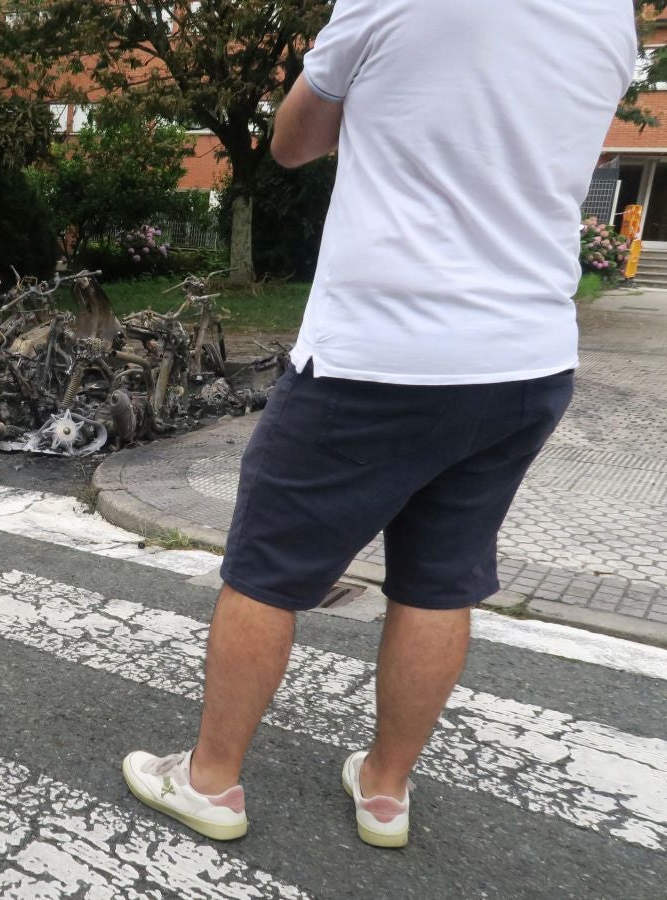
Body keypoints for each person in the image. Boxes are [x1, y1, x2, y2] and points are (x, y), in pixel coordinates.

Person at [122, 0, 636, 849]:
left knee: (266, 572)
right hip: (526, 359)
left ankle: (210, 781)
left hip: (381, 352)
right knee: (441, 579)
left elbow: (292, 142)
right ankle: (386, 792)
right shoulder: (611, 12)